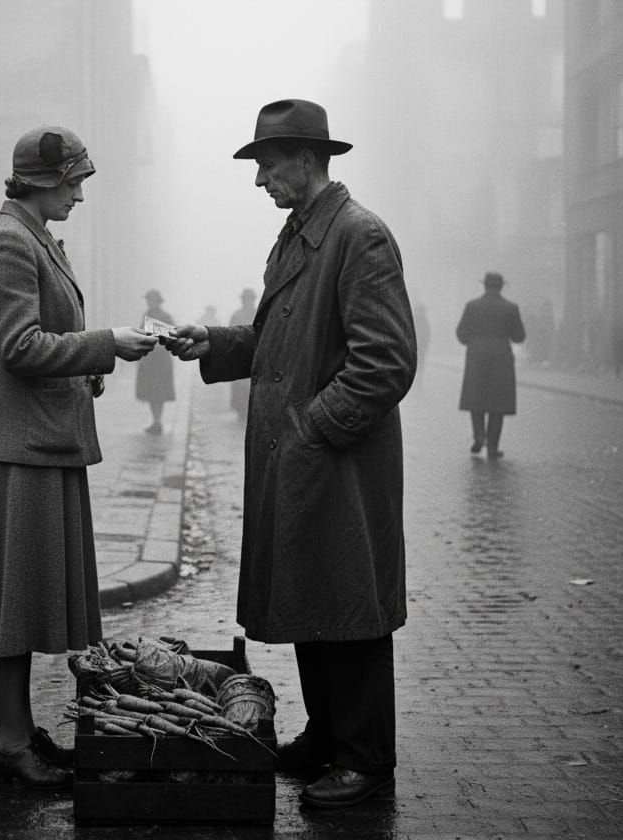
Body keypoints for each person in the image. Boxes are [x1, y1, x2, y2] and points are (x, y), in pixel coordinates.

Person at [165, 98, 416, 810]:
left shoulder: (359, 236)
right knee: (314, 598)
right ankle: (326, 736)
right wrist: (213, 342)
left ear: (308, 162)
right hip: (305, 464)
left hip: (337, 466)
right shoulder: (300, 235)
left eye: (268, 167)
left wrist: (312, 429)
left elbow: (386, 364)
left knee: (351, 606)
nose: (260, 181)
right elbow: (275, 340)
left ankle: (365, 759)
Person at [0, 125, 156, 790]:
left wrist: (90, 367)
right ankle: (9, 742)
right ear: (40, 179)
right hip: (19, 448)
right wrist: (104, 345)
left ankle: (20, 731)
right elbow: (19, 346)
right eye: (73, 182)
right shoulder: (10, 240)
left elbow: (42, 344)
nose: (79, 195)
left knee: (24, 599)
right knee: (11, 603)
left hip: (39, 441)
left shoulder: (32, 235)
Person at [456, 272, 526, 460]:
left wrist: (474, 340)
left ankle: (479, 435)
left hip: (476, 356)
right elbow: (519, 336)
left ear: (485, 285)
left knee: (476, 398)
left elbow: (461, 333)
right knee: (498, 403)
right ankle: (493, 447)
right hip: (501, 357)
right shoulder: (511, 308)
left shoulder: (472, 306)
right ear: (501, 286)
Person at [135, 289, 175, 434]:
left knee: (160, 392)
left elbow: (172, 334)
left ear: (158, 301)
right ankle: (155, 421)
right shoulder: (146, 316)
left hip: (161, 360)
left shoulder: (166, 316)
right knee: (151, 393)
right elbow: (141, 333)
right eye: (148, 300)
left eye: (152, 300)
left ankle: (158, 421)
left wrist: (157, 334)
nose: (149, 303)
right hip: (149, 359)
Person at [228, 288, 258, 420]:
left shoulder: (259, 312)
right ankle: (241, 411)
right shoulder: (237, 315)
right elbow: (229, 333)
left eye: (249, 299)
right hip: (240, 353)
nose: (247, 301)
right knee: (240, 385)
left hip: (256, 354)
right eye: (245, 299)